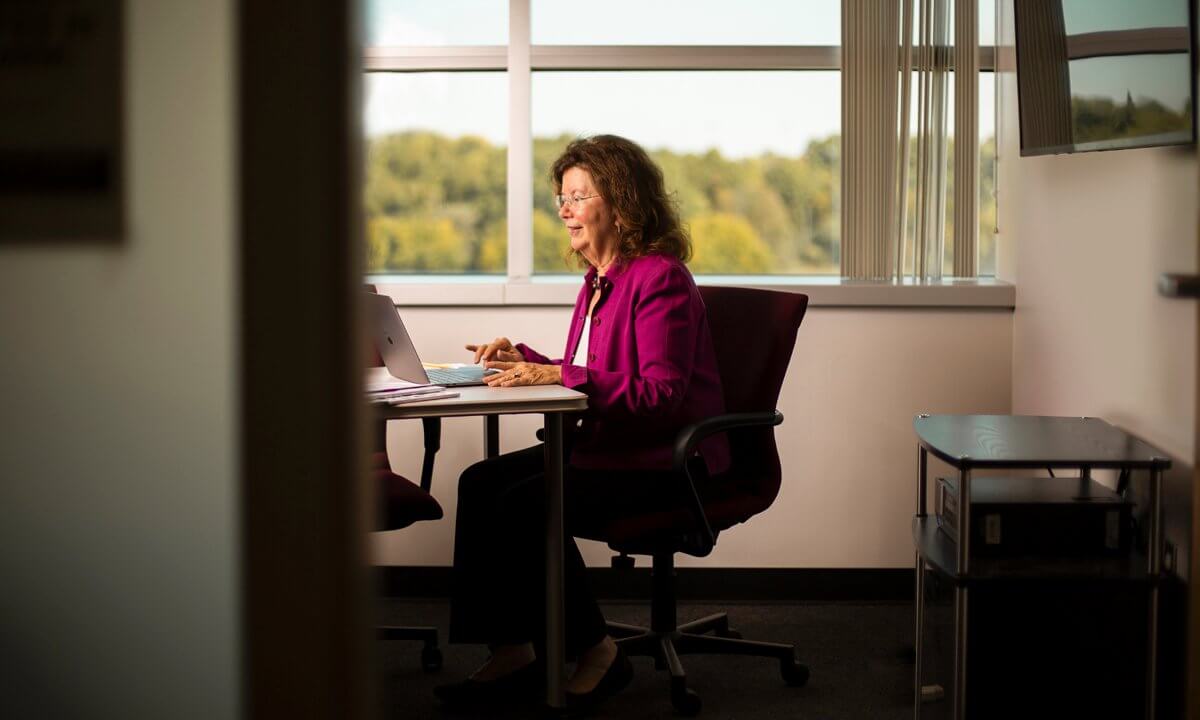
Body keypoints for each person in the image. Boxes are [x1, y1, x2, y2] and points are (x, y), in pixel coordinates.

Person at [434, 135, 730, 712]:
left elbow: (660, 395)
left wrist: (556, 376)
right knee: (480, 481)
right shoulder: (599, 280)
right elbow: (592, 371)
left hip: (660, 458)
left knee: (527, 503)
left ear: (620, 205)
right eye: (561, 197)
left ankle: (598, 650)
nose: (564, 210)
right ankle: (513, 648)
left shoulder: (659, 279)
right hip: (608, 445)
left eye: (578, 196)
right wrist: (523, 359)